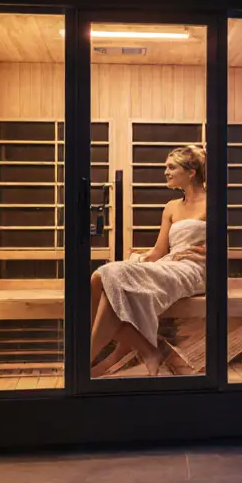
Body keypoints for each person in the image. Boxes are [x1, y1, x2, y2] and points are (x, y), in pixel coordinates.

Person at [89, 145, 208, 376]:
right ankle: (148, 351)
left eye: (171, 167)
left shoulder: (212, 204)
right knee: (99, 278)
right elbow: (158, 252)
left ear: (191, 172)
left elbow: (222, 247)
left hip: (194, 270)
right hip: (170, 263)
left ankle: (87, 361)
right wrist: (140, 258)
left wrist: (207, 252)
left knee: (110, 279)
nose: (166, 172)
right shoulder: (171, 207)